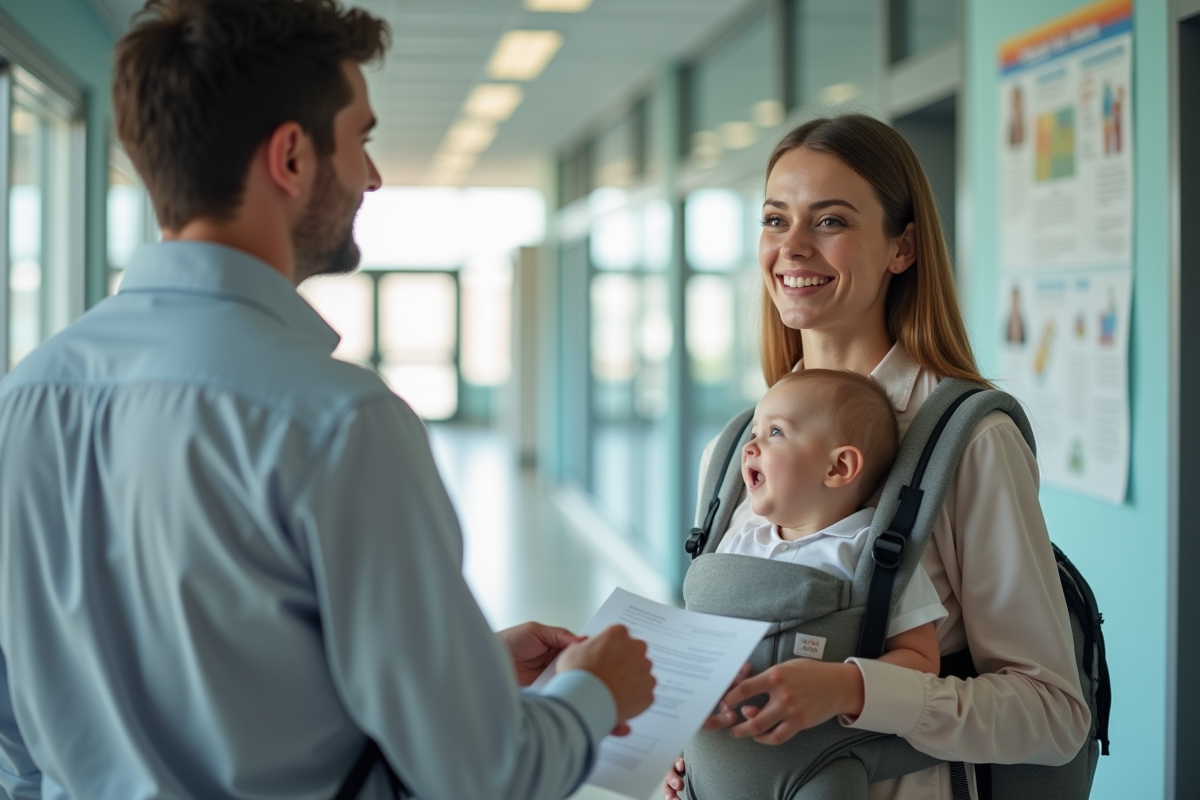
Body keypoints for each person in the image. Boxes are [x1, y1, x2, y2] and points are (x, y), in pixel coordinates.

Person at [0, 1, 655, 799]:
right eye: (362, 140)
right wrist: (593, 693)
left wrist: (460, 669)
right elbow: (481, 774)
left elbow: (33, 723)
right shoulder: (338, 421)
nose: (372, 176)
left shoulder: (25, 397)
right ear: (291, 157)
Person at [665, 114, 1090, 800]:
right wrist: (688, 747)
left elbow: (1052, 714)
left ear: (903, 248)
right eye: (776, 220)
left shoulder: (969, 442)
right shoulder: (733, 448)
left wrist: (859, 692)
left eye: (829, 221)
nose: (793, 247)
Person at [689, 369, 946, 797]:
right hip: (711, 767)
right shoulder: (738, 540)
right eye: (754, 431)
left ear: (839, 466)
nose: (750, 447)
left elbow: (923, 660)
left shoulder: (872, 555)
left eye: (774, 432)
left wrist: (842, 686)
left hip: (813, 769)